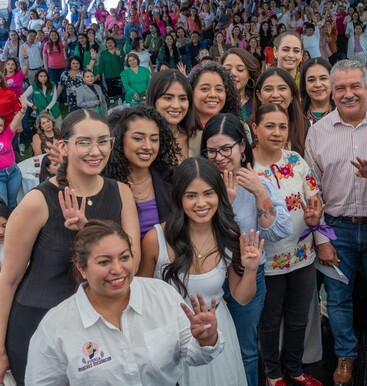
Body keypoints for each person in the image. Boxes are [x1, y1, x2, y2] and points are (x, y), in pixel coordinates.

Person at [0, 109, 140, 385]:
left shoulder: (121, 192)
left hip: (102, 329)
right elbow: (8, 279)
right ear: (64, 146)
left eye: (103, 141)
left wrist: (89, 231)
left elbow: (130, 263)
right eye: (85, 142)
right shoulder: (37, 202)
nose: (95, 151)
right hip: (38, 326)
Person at [25, 220, 225, 385]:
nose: (118, 269)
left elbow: (195, 356)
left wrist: (206, 339)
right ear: (82, 268)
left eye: (124, 257)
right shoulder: (55, 327)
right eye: (104, 262)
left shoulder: (161, 295)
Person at [305, 59, 367, 386]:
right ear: (332, 93)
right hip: (337, 225)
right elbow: (311, 190)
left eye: (355, 86)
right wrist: (321, 239)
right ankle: (346, 355)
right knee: (338, 297)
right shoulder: (317, 133)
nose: (349, 94)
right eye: (341, 88)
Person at [139, 157, 260, 385]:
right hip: (169, 335)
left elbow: (242, 298)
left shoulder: (229, 234)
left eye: (208, 193)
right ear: (178, 198)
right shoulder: (156, 239)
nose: (201, 203)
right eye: (191, 195)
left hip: (217, 331)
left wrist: (251, 269)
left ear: (219, 195)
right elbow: (139, 295)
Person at [201, 113, 292, 386]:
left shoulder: (257, 181)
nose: (219, 157)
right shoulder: (201, 183)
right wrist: (224, 203)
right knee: (207, 348)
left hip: (248, 271)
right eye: (212, 151)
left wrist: (259, 193)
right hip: (207, 274)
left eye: (226, 149)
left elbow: (278, 231)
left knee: (246, 349)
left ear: (242, 146)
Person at [251, 103, 325, 386]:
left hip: (302, 256)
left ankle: (294, 370)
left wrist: (314, 215)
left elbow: (314, 199)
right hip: (266, 261)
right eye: (269, 126)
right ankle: (272, 374)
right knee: (269, 321)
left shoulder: (295, 160)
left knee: (298, 318)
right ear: (255, 128)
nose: (277, 132)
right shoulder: (247, 167)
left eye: (282, 126)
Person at [104, 106, 178, 238]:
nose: (148, 147)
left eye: (154, 139)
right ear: (120, 139)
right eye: (138, 138)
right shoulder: (104, 182)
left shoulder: (172, 178)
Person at [145, 69, 198, 161]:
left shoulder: (197, 138)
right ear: (153, 99)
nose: (176, 106)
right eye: (168, 98)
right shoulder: (141, 142)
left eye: (182, 98)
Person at [254, 68, 306, 155]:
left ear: (292, 95)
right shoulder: (247, 127)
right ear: (259, 95)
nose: (275, 95)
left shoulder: (305, 126)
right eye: (268, 89)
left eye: (282, 89)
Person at [189, 62, 240, 128]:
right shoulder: (178, 131)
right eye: (205, 89)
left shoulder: (238, 128)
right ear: (191, 91)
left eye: (219, 89)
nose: (213, 95)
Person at [0, 96, 26, 208]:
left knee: (12, 203)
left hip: (13, 173)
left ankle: (12, 225)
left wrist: (23, 109)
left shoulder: (7, 134)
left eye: (0, 125)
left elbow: (16, 121)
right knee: (2, 206)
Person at [222, 48, 260, 121]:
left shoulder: (258, 105)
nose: (233, 74)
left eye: (240, 69)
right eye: (227, 69)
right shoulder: (215, 103)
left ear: (249, 74)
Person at [300, 57, 333, 124]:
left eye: (323, 78)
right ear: (304, 84)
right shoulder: (295, 114)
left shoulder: (343, 112)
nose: (318, 84)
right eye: (311, 80)